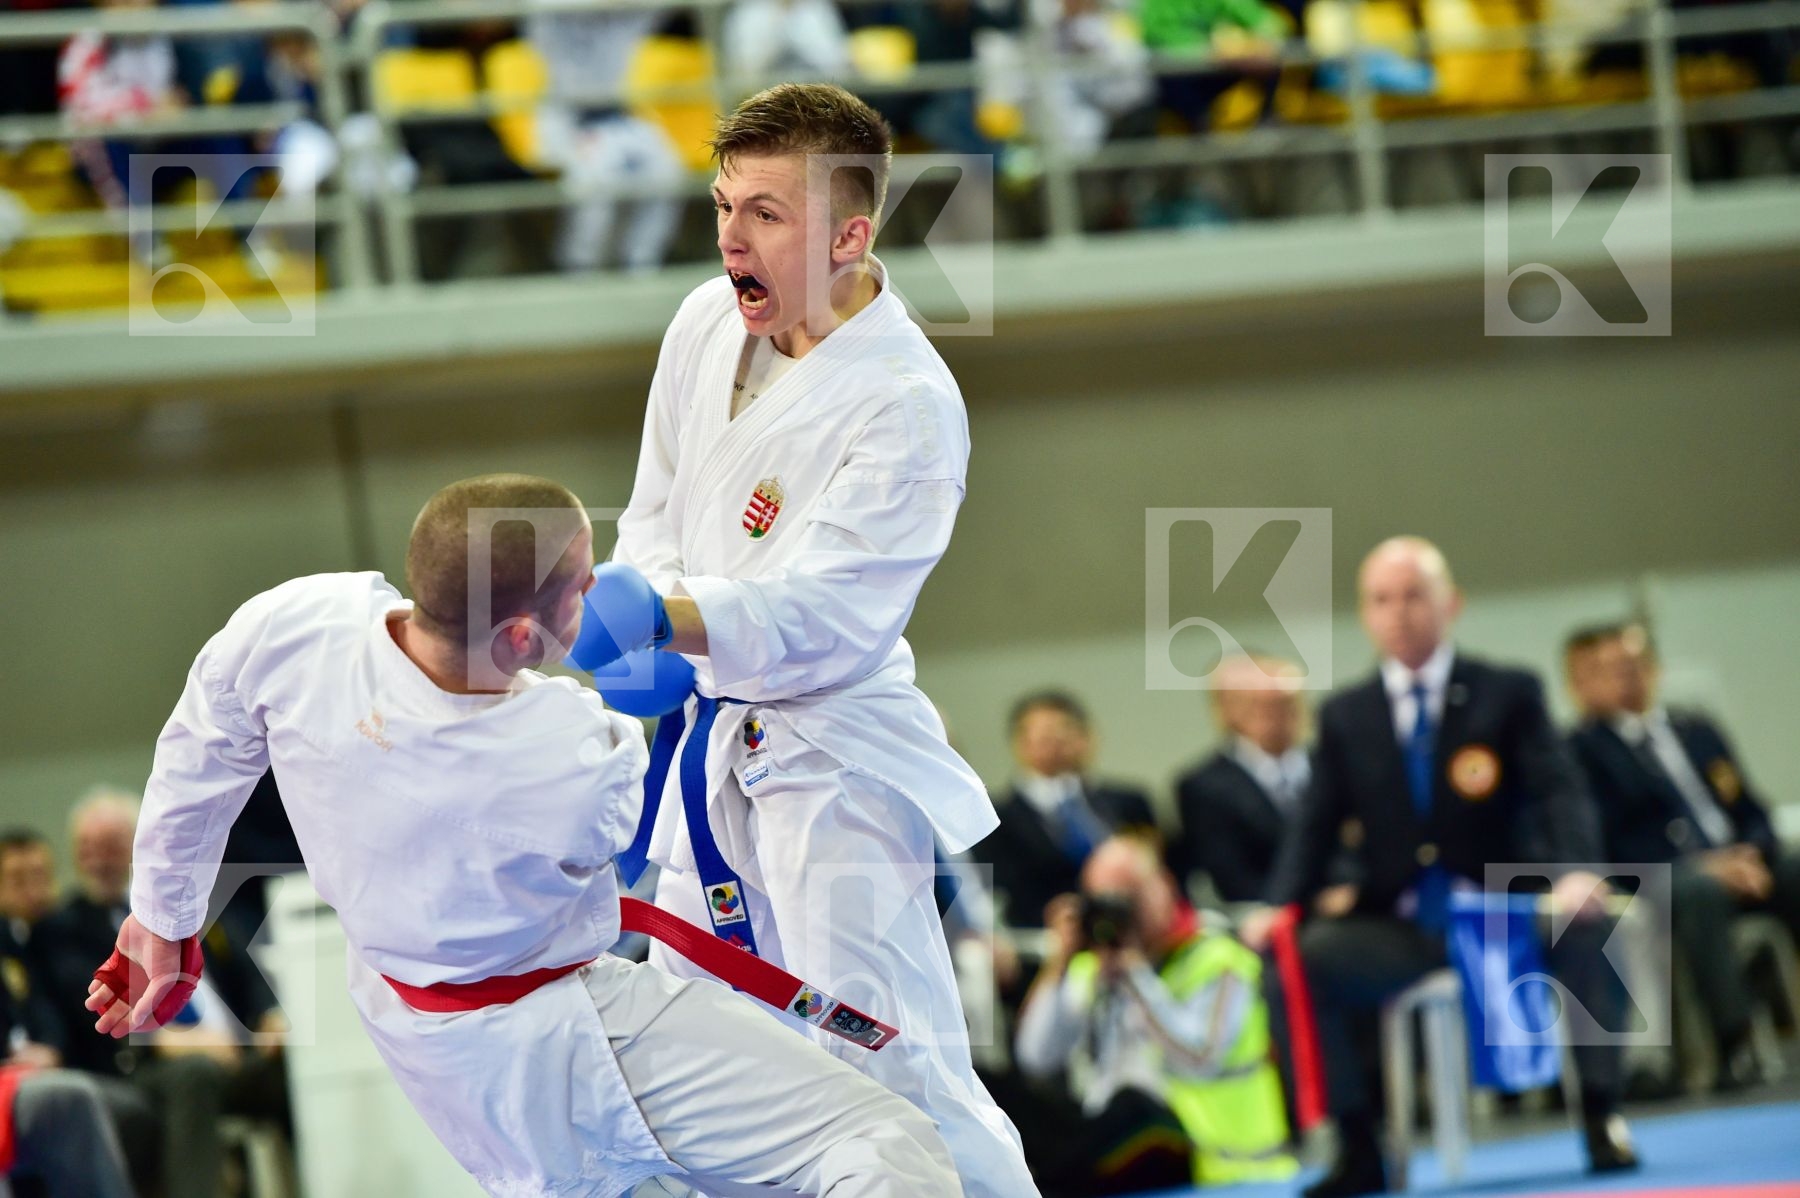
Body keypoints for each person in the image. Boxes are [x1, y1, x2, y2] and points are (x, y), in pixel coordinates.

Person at [83, 474, 963, 1198]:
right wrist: (641, 694)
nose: (599, 585)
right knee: (884, 1146)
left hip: (427, 1038)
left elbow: (200, 752)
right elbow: (615, 831)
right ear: (520, 634)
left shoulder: (299, 626)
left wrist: (163, 923)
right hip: (563, 1026)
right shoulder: (573, 750)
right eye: (582, 585)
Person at [588, 83, 1038, 1197]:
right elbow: (657, 509)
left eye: (767, 214)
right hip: (705, 745)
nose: (732, 237)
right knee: (716, 1061)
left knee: (882, 1054)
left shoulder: (906, 401)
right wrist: (645, 607)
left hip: (831, 758)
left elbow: (835, 615)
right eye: (722, 205)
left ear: (850, 233)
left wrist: (672, 618)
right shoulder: (702, 322)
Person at [1242, 536, 1637, 1198]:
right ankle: (1357, 1143)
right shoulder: (1347, 715)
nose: (1399, 613)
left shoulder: (1507, 692)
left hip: (1507, 909)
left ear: (1450, 604)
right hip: (1401, 925)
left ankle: (1603, 1115)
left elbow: (1558, 788)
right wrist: (1278, 903)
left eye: (1414, 596)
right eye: (1381, 600)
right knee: (1298, 959)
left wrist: (1574, 870)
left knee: (1589, 927)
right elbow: (1313, 824)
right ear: (1366, 615)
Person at [1565, 620, 1800, 1088]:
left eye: (1633, 663)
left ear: (1654, 667)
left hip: (1738, 865)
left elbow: (1750, 807)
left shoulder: (1696, 730)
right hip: (1657, 880)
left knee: (1795, 870)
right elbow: (1606, 843)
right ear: (1579, 684)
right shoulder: (1578, 752)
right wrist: (1705, 865)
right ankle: (1736, 1044)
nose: (1626, 676)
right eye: (1606, 669)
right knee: (1697, 891)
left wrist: (1752, 853)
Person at [1015, 836, 1297, 1193]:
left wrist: (1134, 976)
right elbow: (1034, 1058)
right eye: (1104, 901)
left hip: (1206, 1154)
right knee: (1002, 1095)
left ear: (1163, 887)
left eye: (1128, 894)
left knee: (1131, 1106)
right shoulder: (1091, 967)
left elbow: (1200, 1057)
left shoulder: (1218, 959)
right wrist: (1061, 960)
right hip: (1113, 1142)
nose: (1120, 912)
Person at [1174, 655, 1357, 910]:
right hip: (1269, 917)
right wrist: (1313, 903)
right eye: (1258, 704)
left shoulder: (1332, 765)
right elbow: (1233, 879)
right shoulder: (1204, 787)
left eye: (1284, 703)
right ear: (1226, 709)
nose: (1276, 715)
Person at [983, 691, 1160, 929]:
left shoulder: (1129, 802)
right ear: (1019, 742)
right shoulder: (993, 818)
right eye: (1044, 734)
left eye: (1065, 729)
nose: (1057, 740)